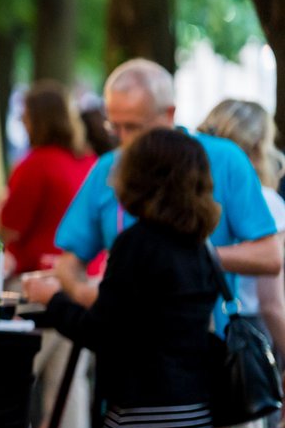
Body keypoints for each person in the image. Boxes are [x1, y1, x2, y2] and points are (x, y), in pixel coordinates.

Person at [26, 129, 223, 428]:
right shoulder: (199, 247)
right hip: (194, 416)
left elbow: (103, 332)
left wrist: (53, 300)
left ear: (143, 178)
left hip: (139, 418)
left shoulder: (137, 244)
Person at [53, 59, 280, 304]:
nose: (123, 140)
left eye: (133, 127)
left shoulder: (224, 159)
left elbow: (269, 256)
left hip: (205, 335)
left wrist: (190, 258)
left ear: (169, 113)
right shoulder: (107, 167)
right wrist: (83, 294)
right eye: (114, 127)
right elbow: (69, 261)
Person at [2, 81, 97, 428]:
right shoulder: (89, 162)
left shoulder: (36, 163)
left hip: (36, 283)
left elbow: (9, 227)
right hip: (83, 282)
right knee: (69, 380)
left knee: (10, 372)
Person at [197, 99, 285, 428]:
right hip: (248, 338)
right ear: (257, 145)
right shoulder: (266, 201)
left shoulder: (197, 191)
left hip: (203, 329)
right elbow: (272, 302)